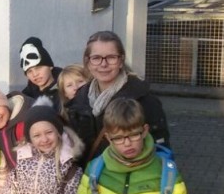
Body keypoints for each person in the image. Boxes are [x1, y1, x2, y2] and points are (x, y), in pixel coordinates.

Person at [65, 30, 170, 161]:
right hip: (90, 178)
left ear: (121, 61)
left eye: (111, 57)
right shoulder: (78, 100)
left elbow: (160, 149)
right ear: (88, 63)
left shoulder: (143, 100)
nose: (104, 64)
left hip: (128, 178)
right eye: (96, 58)